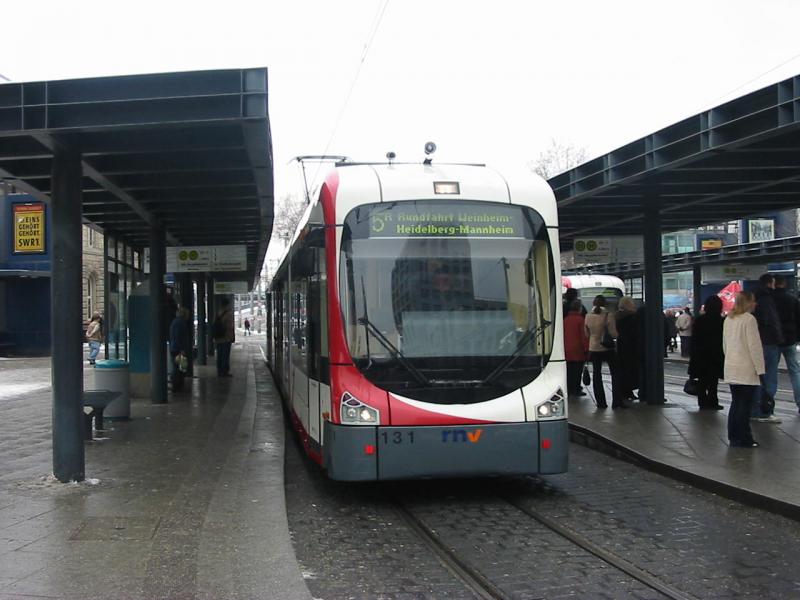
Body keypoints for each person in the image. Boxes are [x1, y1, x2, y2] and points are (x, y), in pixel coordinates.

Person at [722, 291, 765, 448]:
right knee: (745, 405)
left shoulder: (729, 318)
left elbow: (725, 344)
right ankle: (745, 438)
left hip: (731, 366)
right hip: (746, 368)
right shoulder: (749, 320)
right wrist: (760, 369)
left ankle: (733, 436)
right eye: (753, 301)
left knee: (736, 402)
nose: (755, 304)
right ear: (747, 303)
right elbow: (755, 347)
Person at [752, 273, 782, 422]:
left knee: (758, 377)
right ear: (770, 283)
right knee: (769, 378)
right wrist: (779, 337)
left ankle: (756, 409)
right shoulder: (767, 299)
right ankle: (764, 410)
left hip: (760, 341)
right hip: (769, 341)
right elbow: (769, 321)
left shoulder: (755, 297)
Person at [584, 295, 622, 408]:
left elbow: (586, 334)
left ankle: (601, 402)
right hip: (607, 348)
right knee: (615, 373)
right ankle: (616, 401)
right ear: (605, 303)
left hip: (593, 348)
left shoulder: (588, 316)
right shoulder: (608, 315)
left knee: (597, 374)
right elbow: (613, 333)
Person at [688, 295, 725, 410]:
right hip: (715, 355)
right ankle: (713, 401)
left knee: (702, 380)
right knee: (713, 381)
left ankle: (702, 401)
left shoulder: (699, 320)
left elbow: (694, 338)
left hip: (701, 355)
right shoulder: (721, 321)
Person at [772, 275, 800, 414]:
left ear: (773, 283)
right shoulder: (792, 299)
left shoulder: (769, 299)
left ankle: (767, 405)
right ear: (784, 284)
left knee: (771, 371)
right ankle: (799, 402)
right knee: (795, 371)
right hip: (790, 339)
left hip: (773, 341)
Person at [614, 296, 640, 402]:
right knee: (630, 370)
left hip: (621, 347)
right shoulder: (633, 317)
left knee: (622, 370)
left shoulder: (617, 316)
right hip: (631, 347)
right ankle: (628, 391)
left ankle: (623, 391)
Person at [563, 299, 589, 398]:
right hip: (577, 350)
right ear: (580, 308)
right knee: (577, 371)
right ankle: (576, 389)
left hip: (566, 349)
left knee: (569, 370)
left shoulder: (565, 320)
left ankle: (569, 389)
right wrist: (586, 348)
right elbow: (583, 336)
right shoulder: (580, 320)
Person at [169, 307, 190, 391]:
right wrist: (182, 349)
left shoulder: (175, 322)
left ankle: (177, 384)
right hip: (179, 349)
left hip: (174, 348)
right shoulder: (181, 323)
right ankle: (177, 385)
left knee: (178, 367)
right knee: (180, 367)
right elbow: (179, 337)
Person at [213, 297, 235, 377]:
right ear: (227, 305)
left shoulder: (218, 313)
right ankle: (224, 372)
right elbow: (229, 327)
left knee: (219, 355)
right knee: (225, 355)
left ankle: (219, 371)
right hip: (226, 338)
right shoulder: (228, 314)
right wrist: (232, 336)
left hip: (218, 338)